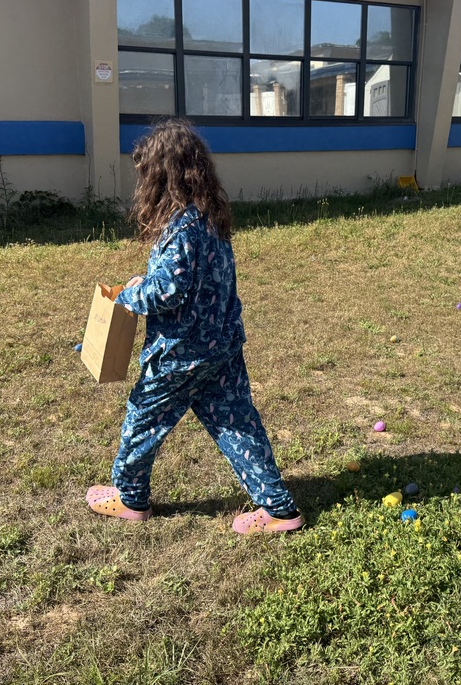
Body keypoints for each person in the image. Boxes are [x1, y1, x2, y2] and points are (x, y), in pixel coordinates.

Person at [86, 119, 303, 535]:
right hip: (221, 346)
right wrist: (144, 282)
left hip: (181, 355)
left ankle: (129, 498)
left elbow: (167, 292)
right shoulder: (210, 220)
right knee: (238, 423)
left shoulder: (181, 228)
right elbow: (189, 281)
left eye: (146, 173)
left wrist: (127, 296)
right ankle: (279, 509)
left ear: (163, 174)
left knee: (142, 419)